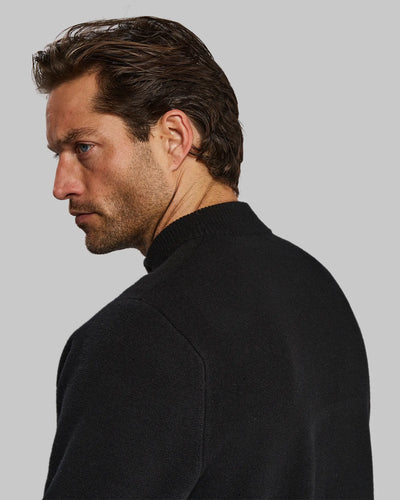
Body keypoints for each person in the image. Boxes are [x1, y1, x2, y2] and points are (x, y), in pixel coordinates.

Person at [33, 16, 373, 499]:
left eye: (83, 147)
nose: (61, 185)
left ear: (174, 137)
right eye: (58, 154)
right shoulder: (318, 289)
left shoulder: (138, 336)